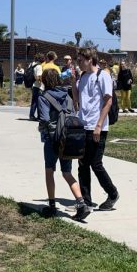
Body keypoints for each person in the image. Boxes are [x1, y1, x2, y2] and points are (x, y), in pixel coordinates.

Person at [37, 68, 90, 221]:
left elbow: (45, 119)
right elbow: (73, 112)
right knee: (67, 173)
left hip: (52, 139)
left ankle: (52, 205)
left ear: (44, 81)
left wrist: (42, 128)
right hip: (67, 139)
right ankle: (81, 203)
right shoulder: (66, 96)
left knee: (49, 171)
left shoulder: (44, 97)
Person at [77, 51, 120, 211]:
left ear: (90, 60)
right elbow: (78, 99)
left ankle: (112, 193)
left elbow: (108, 102)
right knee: (82, 164)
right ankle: (85, 201)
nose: (78, 62)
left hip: (97, 127)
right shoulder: (82, 76)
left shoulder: (103, 76)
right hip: (83, 125)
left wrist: (99, 125)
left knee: (96, 163)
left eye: (81, 60)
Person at [28, 53, 45, 121]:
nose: (44, 60)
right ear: (40, 59)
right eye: (43, 58)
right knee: (39, 102)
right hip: (38, 86)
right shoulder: (39, 66)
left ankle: (31, 115)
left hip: (33, 85)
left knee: (34, 101)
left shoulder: (32, 64)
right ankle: (39, 116)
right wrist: (43, 81)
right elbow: (38, 77)